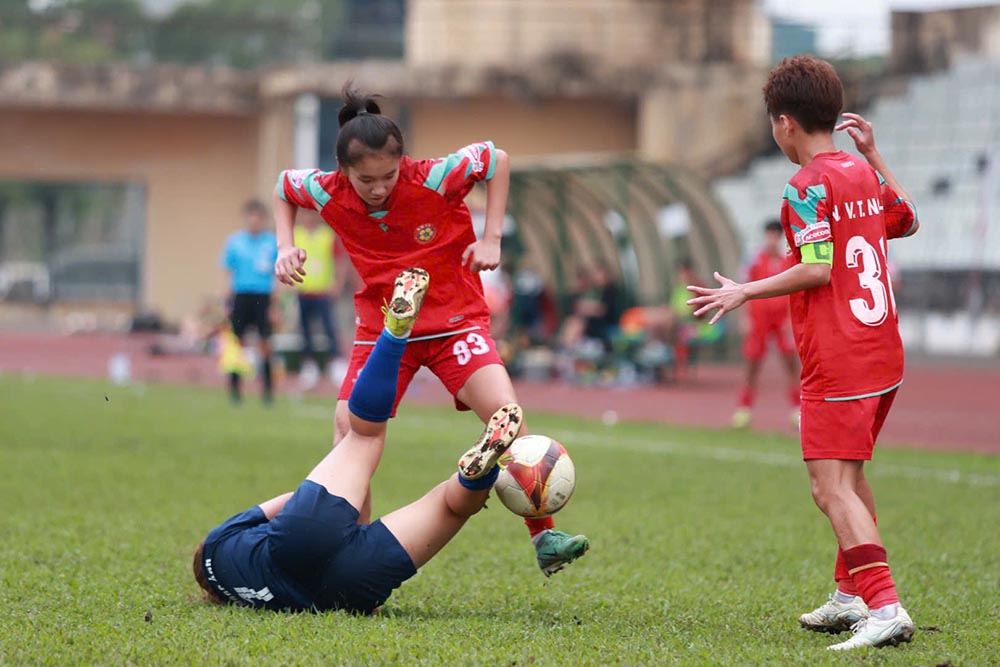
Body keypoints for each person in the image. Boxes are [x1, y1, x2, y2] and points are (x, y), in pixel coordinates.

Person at [272, 83, 588, 576]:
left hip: (453, 322)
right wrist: (283, 246)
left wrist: (492, 236)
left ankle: (544, 537)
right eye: (365, 179)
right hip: (382, 331)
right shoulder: (325, 190)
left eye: (388, 175)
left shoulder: (435, 178)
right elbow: (283, 187)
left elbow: (496, 158)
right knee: (347, 437)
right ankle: (345, 557)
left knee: (507, 418)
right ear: (343, 173)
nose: (379, 188)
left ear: (404, 163)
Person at [686, 55, 919, 651]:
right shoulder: (859, 174)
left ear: (785, 123)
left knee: (828, 487)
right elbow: (908, 220)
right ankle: (852, 596)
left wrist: (743, 290)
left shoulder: (806, 184)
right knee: (850, 477)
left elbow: (816, 270)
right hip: (882, 353)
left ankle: (885, 604)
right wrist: (872, 153)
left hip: (840, 358)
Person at [193, 269, 524, 612]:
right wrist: (339, 501)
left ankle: (478, 475)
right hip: (300, 533)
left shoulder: (233, 589)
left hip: (343, 589)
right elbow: (283, 504)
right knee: (363, 436)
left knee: (451, 507)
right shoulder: (217, 548)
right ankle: (394, 335)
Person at [731, 220, 800, 429]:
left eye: (775, 235)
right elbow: (742, 289)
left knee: (791, 363)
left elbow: (795, 288)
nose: (771, 239)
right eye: (768, 234)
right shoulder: (753, 260)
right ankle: (744, 409)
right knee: (752, 364)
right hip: (759, 318)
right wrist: (746, 317)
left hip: (781, 319)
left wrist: (791, 317)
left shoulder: (786, 260)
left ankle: (797, 409)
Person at [221, 200, 279, 405]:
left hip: (263, 297)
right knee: (238, 343)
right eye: (250, 217)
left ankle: (268, 390)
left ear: (263, 219)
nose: (254, 221)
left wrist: (275, 305)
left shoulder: (272, 242)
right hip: (241, 295)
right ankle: (235, 390)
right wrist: (227, 302)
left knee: (265, 344)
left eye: (258, 218)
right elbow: (228, 273)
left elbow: (276, 275)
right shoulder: (235, 242)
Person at [293, 210, 343, 390]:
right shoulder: (295, 235)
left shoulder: (327, 235)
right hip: (303, 290)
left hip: (323, 291)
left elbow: (338, 260)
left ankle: (335, 362)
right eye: (305, 215)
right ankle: (309, 364)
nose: (309, 218)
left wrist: (337, 283)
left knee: (329, 327)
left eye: (311, 215)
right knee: (305, 329)